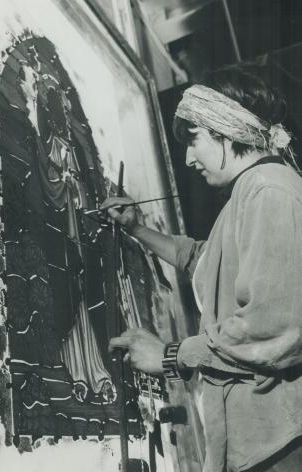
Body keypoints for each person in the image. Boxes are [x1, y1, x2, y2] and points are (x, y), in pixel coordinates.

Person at [102, 66, 302, 472]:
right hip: (263, 442)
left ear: (226, 130)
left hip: (281, 444)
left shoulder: (268, 190)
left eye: (193, 140)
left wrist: (171, 356)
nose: (189, 159)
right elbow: (203, 259)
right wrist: (136, 227)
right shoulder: (249, 193)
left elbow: (273, 325)